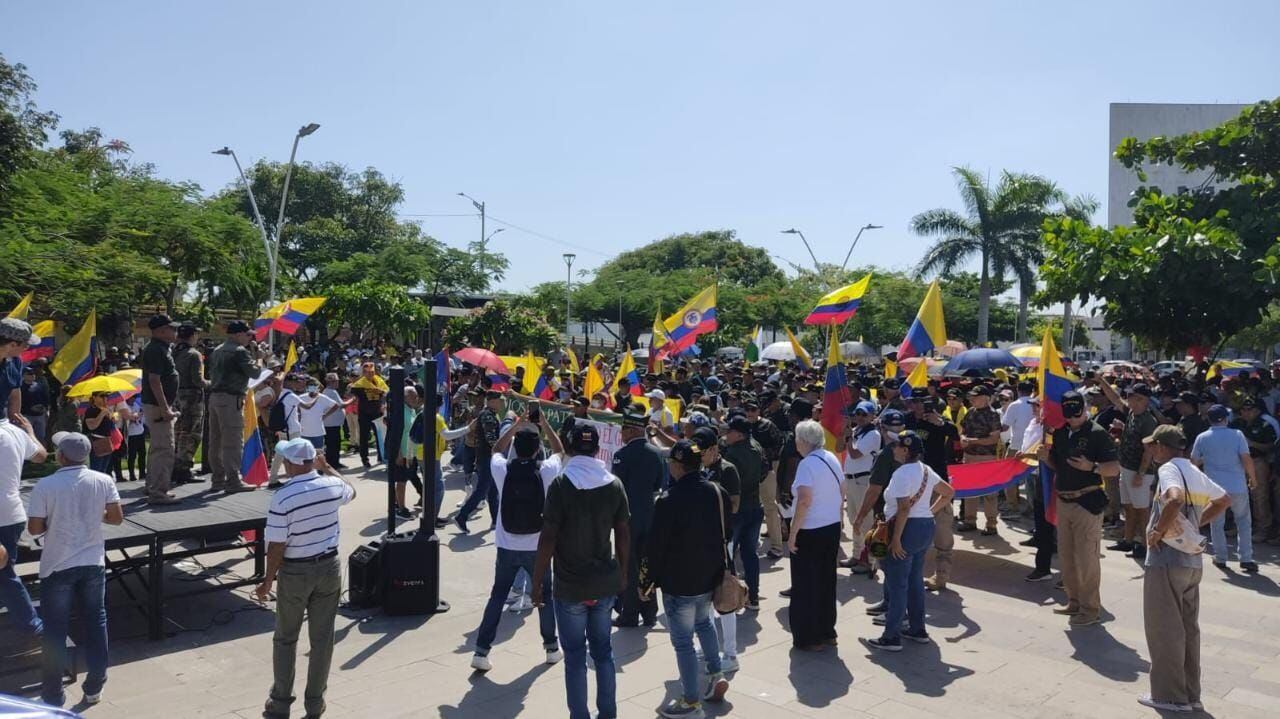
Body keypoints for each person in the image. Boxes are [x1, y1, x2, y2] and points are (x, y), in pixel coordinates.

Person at [531, 423, 630, 719]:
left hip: (570, 586)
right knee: (603, 653)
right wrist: (623, 573)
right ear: (598, 449)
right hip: (604, 583)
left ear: (571, 449)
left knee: (574, 658)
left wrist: (537, 583)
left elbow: (548, 538)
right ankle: (608, 713)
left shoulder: (561, 484)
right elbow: (623, 533)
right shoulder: (613, 483)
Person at [256, 438, 357, 719]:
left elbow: (276, 546)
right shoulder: (331, 485)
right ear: (313, 460)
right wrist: (329, 468)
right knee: (322, 640)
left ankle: (280, 703)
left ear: (290, 464)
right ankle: (314, 704)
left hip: (296, 571)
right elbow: (352, 490)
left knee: (286, 638)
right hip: (328, 567)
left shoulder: (283, 497)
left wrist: (267, 581)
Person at [26, 431, 123, 707]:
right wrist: (93, 514)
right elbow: (116, 518)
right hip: (92, 562)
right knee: (96, 623)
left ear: (61, 456)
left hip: (58, 564)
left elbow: (34, 528)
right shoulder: (103, 480)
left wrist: (54, 522)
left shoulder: (46, 485)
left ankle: (53, 694)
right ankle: (94, 686)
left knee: (55, 630)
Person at [1139, 425, 1231, 713]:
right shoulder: (1193, 470)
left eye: (1153, 445)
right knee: (1189, 630)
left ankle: (1170, 697)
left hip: (1167, 560)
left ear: (1163, 447)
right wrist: (1196, 524)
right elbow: (1224, 499)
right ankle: (1191, 695)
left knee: (1165, 630)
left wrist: (1157, 530)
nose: (1151, 450)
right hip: (1192, 562)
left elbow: (1176, 498)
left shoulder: (1168, 469)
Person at [640, 439, 732, 718]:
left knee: (683, 642)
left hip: (679, 581)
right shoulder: (717, 491)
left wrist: (645, 581)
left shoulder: (668, 500)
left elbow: (656, 546)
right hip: (709, 576)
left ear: (678, 466)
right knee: (705, 624)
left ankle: (691, 701)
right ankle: (716, 674)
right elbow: (726, 531)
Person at [470, 411, 564, 672]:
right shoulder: (546, 471)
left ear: (515, 448)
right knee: (544, 596)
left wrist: (515, 426)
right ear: (537, 451)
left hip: (507, 545)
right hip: (537, 547)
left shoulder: (502, 469)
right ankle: (551, 647)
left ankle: (481, 650)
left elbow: (495, 450)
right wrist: (543, 423)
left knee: (498, 596)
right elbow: (559, 449)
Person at [1038, 390, 1120, 627]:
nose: (1072, 418)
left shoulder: (1097, 434)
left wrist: (1091, 467)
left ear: (1084, 409)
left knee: (1087, 558)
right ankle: (1074, 601)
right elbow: (1058, 465)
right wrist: (1046, 459)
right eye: (1069, 414)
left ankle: (1090, 608)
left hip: (1087, 502)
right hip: (1064, 500)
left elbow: (1114, 469)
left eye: (1076, 413)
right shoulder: (1061, 433)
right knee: (1067, 556)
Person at [867, 430, 954, 651]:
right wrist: (930, 512)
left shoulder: (901, 474)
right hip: (924, 527)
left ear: (905, 450)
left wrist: (896, 539)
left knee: (898, 584)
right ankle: (917, 629)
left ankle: (892, 636)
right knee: (915, 580)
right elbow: (949, 492)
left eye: (896, 445)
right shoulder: (926, 470)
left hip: (905, 529)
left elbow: (904, 508)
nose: (892, 448)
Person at [786, 419, 844, 651]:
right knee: (826, 580)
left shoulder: (807, 465)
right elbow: (842, 491)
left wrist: (793, 532)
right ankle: (827, 630)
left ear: (803, 441)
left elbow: (805, 500)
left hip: (810, 530)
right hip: (830, 526)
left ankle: (809, 637)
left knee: (804, 585)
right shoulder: (831, 457)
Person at [612, 408, 664, 628]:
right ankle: (650, 612)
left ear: (632, 430)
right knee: (647, 564)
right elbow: (659, 484)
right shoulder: (657, 453)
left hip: (627, 518)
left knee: (628, 567)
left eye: (623, 429)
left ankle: (630, 613)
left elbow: (616, 487)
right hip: (650, 515)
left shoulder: (621, 456)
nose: (621, 434)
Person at [1191, 404, 1258, 572]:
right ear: (1226, 418)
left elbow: (1193, 462)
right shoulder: (1237, 435)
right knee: (1243, 521)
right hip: (1237, 486)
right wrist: (1253, 478)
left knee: (1216, 523)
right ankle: (1246, 558)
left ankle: (1221, 558)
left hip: (1214, 488)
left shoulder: (1202, 437)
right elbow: (1246, 458)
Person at [0, 412, 47, 640]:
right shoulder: (15, 432)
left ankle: (32, 624)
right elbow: (41, 455)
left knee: (3, 573)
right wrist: (30, 432)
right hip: (13, 514)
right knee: (4, 570)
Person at [1104, 381, 1159, 560]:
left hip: (1139, 472)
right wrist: (1100, 381)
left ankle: (1144, 544)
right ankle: (1127, 540)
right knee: (1128, 507)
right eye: (1130, 398)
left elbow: (1149, 450)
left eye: (1136, 398)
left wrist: (1141, 474)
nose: (1131, 401)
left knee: (1142, 510)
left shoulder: (1148, 421)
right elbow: (1114, 398)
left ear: (1144, 400)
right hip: (1126, 467)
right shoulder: (1132, 413)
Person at [206, 320, 258, 494]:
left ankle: (217, 480)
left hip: (214, 397)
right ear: (238, 334)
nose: (249, 338)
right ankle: (233, 480)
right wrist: (259, 358)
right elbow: (254, 373)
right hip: (231, 399)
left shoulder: (217, 350)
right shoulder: (239, 351)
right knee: (233, 442)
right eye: (246, 334)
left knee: (216, 441)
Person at [722, 414, 765, 613]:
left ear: (739, 435)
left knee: (729, 554)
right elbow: (765, 471)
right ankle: (753, 596)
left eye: (729, 431)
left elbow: (728, 482)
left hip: (737, 511)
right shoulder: (756, 447)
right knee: (750, 555)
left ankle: (731, 597)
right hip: (755, 506)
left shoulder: (731, 455)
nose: (726, 434)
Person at [140, 313, 181, 504]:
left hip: (157, 405)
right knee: (164, 449)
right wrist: (165, 409)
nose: (175, 331)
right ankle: (158, 492)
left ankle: (153, 487)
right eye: (171, 328)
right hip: (158, 407)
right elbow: (154, 381)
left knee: (158, 449)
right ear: (161, 331)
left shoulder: (161, 348)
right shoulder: (156, 350)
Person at [841, 401, 881, 575]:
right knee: (852, 519)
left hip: (863, 480)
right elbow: (839, 448)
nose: (860, 417)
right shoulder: (856, 431)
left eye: (864, 414)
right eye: (858, 413)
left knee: (864, 521)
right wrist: (845, 435)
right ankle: (856, 555)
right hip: (850, 479)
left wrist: (849, 440)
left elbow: (856, 454)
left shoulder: (873, 434)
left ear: (872, 416)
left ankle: (870, 560)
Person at [455, 389, 501, 533]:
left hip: (487, 458)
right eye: (499, 401)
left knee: (493, 491)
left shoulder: (489, 414)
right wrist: (503, 448)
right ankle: (462, 516)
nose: (501, 404)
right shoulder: (488, 415)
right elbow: (491, 439)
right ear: (493, 401)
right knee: (482, 491)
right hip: (486, 458)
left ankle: (496, 522)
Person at [958, 385, 1002, 535]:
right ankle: (970, 520)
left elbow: (994, 438)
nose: (972, 399)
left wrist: (972, 441)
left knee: (990, 493)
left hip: (986, 458)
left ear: (985, 398)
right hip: (969, 456)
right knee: (970, 491)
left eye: (976, 397)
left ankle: (991, 524)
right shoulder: (970, 412)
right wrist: (963, 438)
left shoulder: (993, 415)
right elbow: (962, 430)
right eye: (971, 396)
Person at [1236, 396, 1278, 545]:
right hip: (1237, 462)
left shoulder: (1265, 424)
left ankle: (1263, 529)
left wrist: (1252, 443)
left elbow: (1271, 446)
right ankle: (1240, 525)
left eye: (1250, 410)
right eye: (1243, 409)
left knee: (1259, 496)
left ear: (1257, 410)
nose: (1246, 412)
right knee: (1239, 495)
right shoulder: (1237, 423)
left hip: (1258, 461)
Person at [172, 323, 207, 484]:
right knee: (192, 433)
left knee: (178, 432)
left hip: (177, 396)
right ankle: (184, 468)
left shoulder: (173, 352)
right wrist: (212, 383)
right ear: (192, 336)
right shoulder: (194, 355)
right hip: (192, 397)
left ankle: (175, 466)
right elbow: (198, 380)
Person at [350, 362, 388, 468]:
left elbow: (386, 392)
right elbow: (352, 393)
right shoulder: (359, 385)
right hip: (364, 413)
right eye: (367, 372)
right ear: (363, 372)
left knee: (380, 435)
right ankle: (365, 459)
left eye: (372, 372)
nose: (370, 374)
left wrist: (383, 402)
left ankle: (382, 456)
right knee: (364, 437)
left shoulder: (379, 381)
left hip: (378, 412)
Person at [0, 318, 35, 420]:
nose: (27, 349)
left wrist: (17, 424)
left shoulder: (16, 362)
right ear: (12, 345)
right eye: (26, 345)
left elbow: (14, 396)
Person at [81, 391, 118, 475]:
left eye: (106, 396)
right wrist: (102, 414)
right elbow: (91, 426)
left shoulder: (105, 409)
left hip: (107, 441)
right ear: (94, 397)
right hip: (96, 441)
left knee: (104, 470)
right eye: (101, 396)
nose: (105, 398)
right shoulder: (91, 410)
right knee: (96, 470)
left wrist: (112, 419)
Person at [320, 373, 350, 468]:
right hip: (331, 424)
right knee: (333, 444)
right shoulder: (331, 392)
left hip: (333, 423)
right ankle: (333, 463)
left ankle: (335, 461)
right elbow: (341, 405)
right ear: (331, 382)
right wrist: (352, 400)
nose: (337, 383)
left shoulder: (330, 391)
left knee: (334, 443)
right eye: (336, 381)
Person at [19, 365, 49, 444]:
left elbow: (45, 398)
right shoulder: (20, 387)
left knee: (40, 436)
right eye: (29, 374)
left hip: (40, 415)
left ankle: (40, 452)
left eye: (33, 374)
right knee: (27, 436)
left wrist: (45, 408)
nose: (32, 375)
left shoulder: (39, 385)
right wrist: (29, 408)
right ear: (24, 375)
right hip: (27, 415)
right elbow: (19, 402)